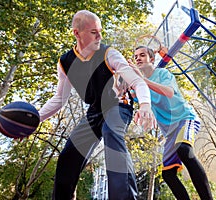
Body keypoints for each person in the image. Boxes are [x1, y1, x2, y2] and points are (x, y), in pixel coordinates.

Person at [38, 10, 155, 200]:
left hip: (118, 105)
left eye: (100, 31)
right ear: (77, 33)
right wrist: (36, 119)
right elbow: (60, 99)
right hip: (94, 112)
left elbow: (137, 82)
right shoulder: (66, 62)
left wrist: (145, 105)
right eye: (93, 32)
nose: (99, 36)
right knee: (68, 156)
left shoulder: (109, 53)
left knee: (112, 133)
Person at [129, 46, 213, 200]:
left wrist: (142, 80)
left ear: (152, 59)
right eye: (135, 57)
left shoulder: (162, 74)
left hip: (185, 119)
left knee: (184, 149)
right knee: (167, 173)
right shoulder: (140, 85)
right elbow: (136, 98)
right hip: (170, 132)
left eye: (142, 55)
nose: (138, 59)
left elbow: (168, 92)